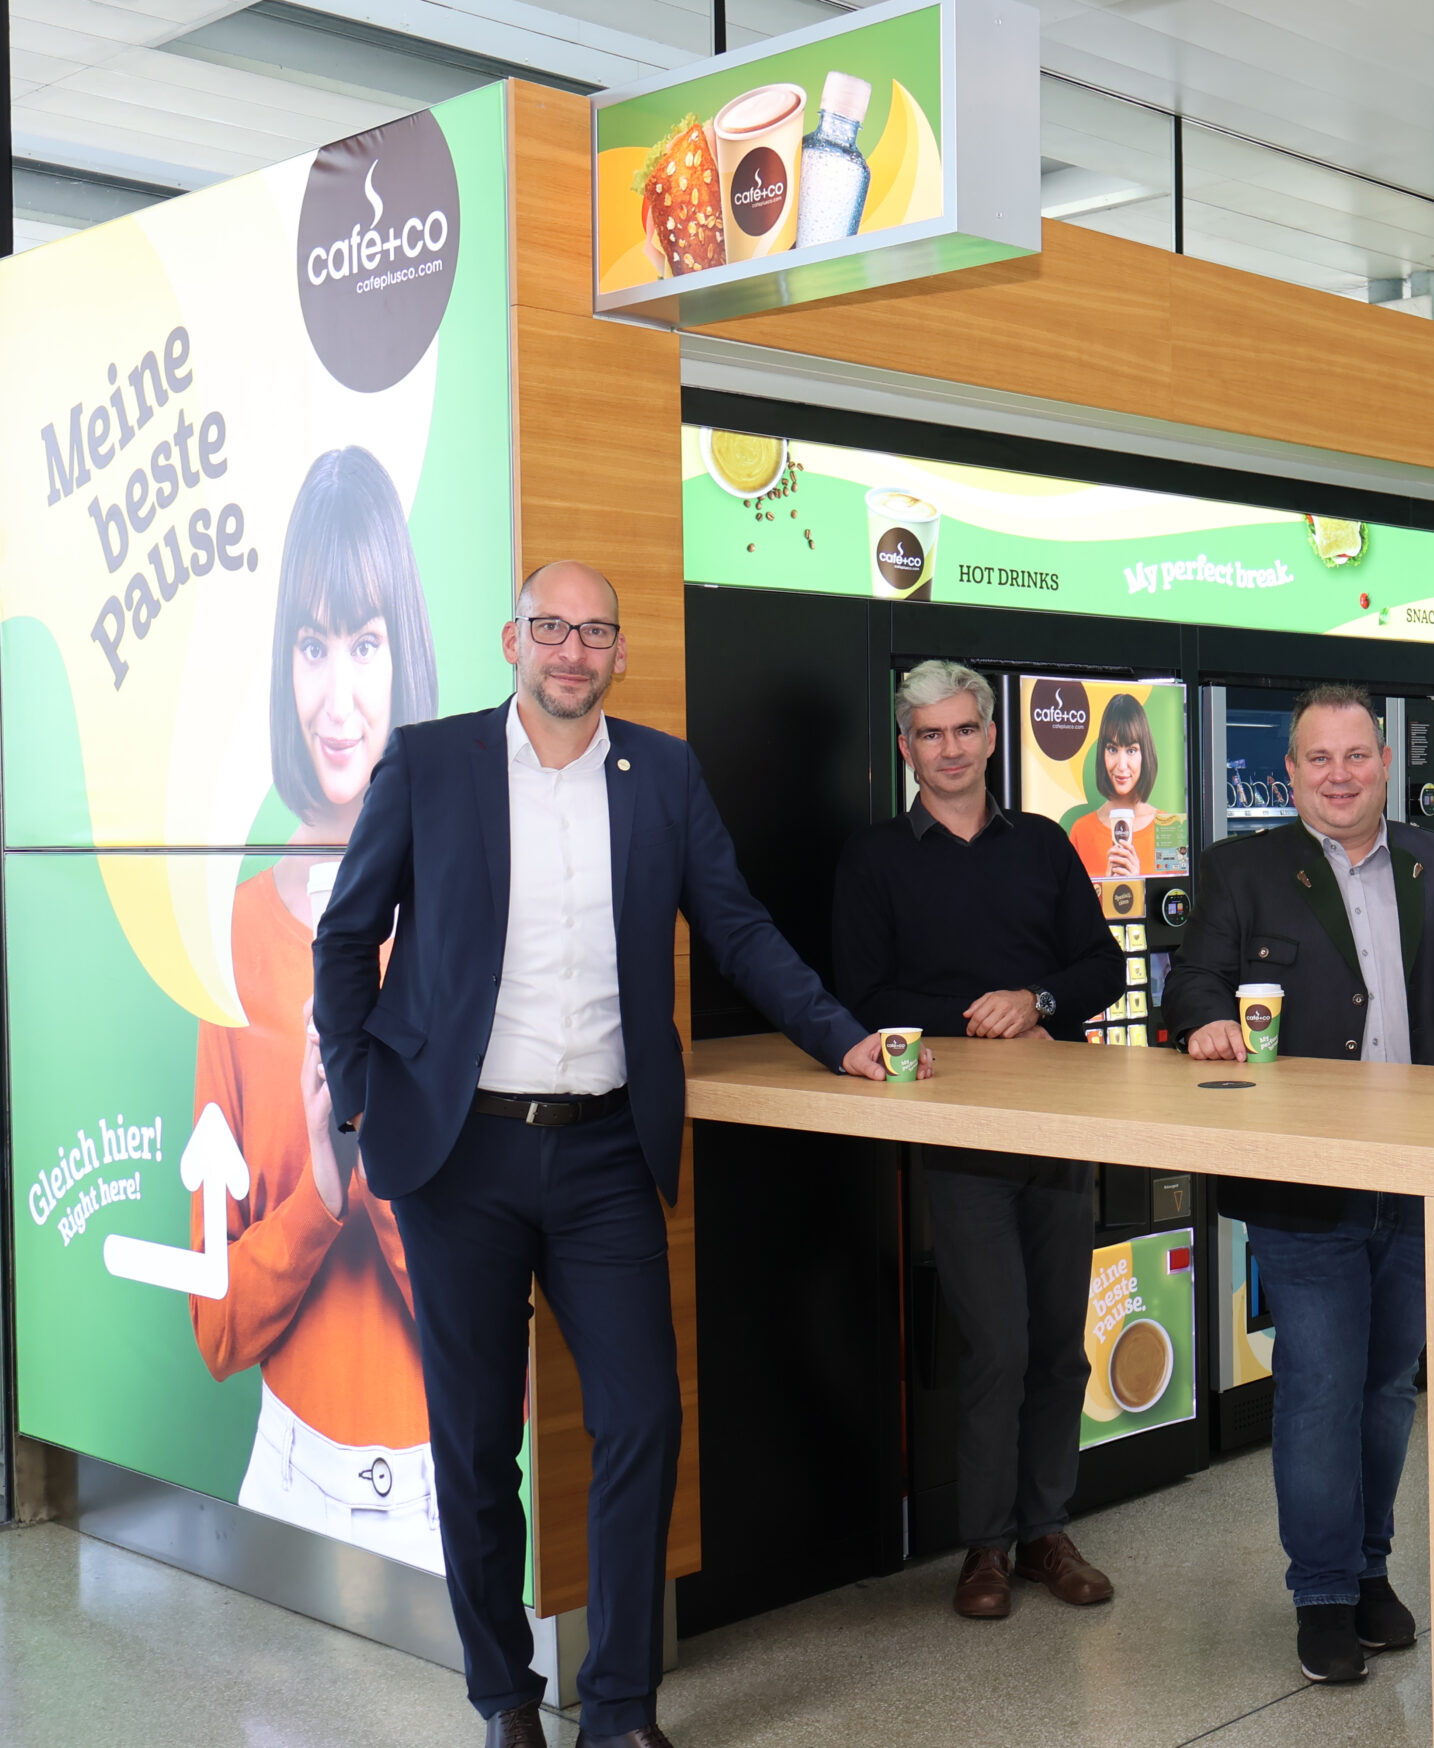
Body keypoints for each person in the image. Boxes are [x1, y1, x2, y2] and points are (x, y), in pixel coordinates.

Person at [313, 560, 916, 1748]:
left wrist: (841, 1035)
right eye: (552, 627)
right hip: (458, 1159)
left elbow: (735, 923)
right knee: (477, 1444)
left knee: (643, 1417)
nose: (572, 651)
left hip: (601, 1156)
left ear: (619, 652)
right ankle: (503, 1697)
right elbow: (348, 934)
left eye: (595, 631)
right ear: (512, 639)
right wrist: (356, 1093)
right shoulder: (431, 763)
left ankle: (625, 1706)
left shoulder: (662, 772)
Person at [1163, 683, 1434, 1685]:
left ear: (1384, 760)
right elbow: (1191, 986)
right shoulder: (1242, 869)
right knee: (1318, 1387)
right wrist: (1206, 1021)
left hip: (1422, 1174)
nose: (1339, 773)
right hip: (1307, 1184)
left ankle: (1371, 1567)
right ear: (1289, 772)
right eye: (1318, 758)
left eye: (1356, 755)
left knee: (1387, 1386)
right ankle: (1322, 1591)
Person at [831, 661, 1125, 1622]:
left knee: (1059, 1350)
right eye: (929, 734)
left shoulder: (1042, 845)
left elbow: (1102, 966)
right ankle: (986, 1548)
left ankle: (1047, 1532)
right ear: (907, 747)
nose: (949, 749)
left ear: (992, 737)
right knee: (997, 1345)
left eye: (964, 731)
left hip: (1058, 1124)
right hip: (954, 1135)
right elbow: (861, 995)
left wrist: (1036, 1000)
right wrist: (980, 1016)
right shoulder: (874, 859)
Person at [198, 447, 443, 1571]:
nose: (337, 696)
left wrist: (369, 1166)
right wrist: (314, 1186)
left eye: (365, 642)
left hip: (446, 1487)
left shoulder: (462, 913)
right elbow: (216, 1329)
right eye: (311, 643)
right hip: (281, 1470)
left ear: (406, 657)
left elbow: (512, 1331)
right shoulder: (238, 931)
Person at [1066, 691, 1170, 878]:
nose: (1121, 766)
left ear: (1144, 755)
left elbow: (1180, 902)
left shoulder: (1168, 829)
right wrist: (1107, 886)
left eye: (1131, 750)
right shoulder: (1081, 832)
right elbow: (1073, 906)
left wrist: (1137, 884)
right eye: (1112, 749)